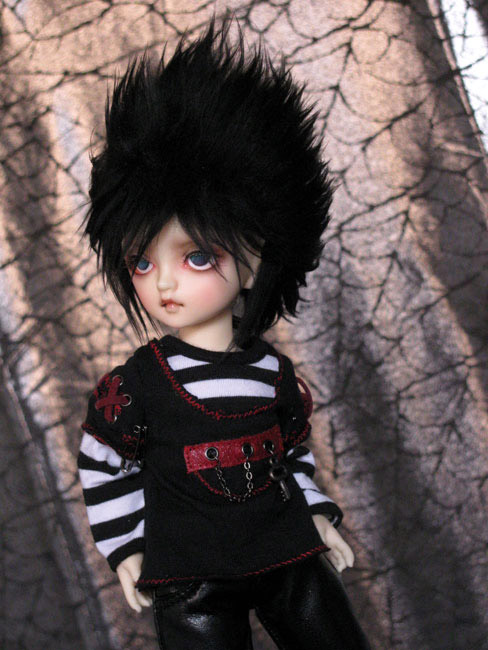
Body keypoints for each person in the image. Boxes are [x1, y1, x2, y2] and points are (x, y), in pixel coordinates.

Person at [78, 18, 371, 649]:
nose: (164, 283)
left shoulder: (272, 375)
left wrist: (318, 517)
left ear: (256, 261)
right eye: (141, 262)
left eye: (196, 257)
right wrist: (127, 547)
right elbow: (103, 463)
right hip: (192, 577)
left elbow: (292, 453)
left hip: (288, 553)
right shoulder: (137, 386)